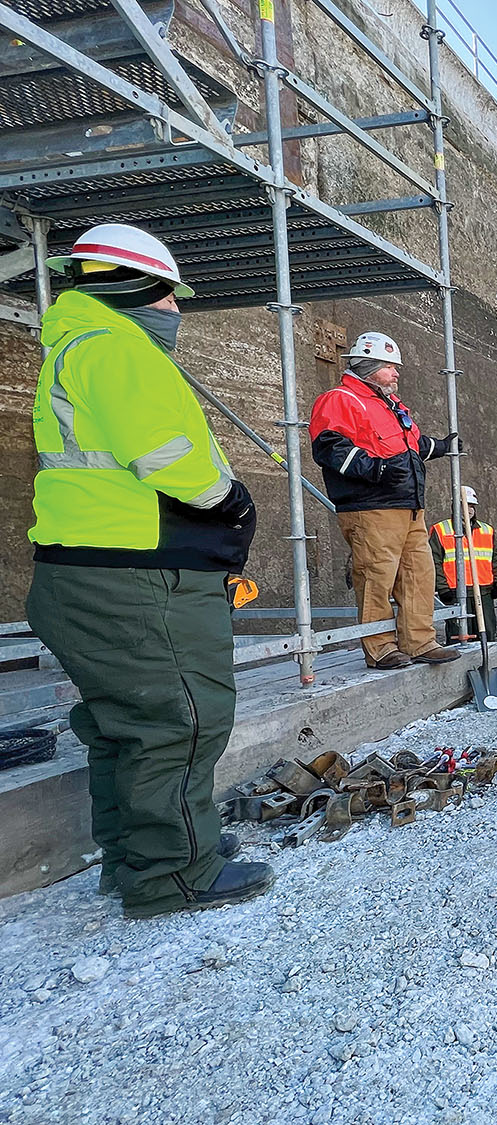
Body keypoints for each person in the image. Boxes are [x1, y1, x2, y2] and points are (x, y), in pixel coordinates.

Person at [27, 222, 272, 918]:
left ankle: (136, 860)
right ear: (131, 285)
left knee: (123, 725)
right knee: (180, 719)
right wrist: (231, 499)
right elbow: (172, 460)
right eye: (168, 297)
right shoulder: (115, 348)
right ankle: (175, 875)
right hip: (137, 575)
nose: (175, 311)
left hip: (86, 569)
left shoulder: (75, 346)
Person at [310, 331, 461, 670]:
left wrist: (444, 446)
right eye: (391, 366)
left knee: (418, 575)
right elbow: (330, 449)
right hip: (371, 507)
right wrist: (376, 470)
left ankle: (419, 642)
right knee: (377, 577)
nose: (396, 373)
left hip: (407, 508)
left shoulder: (388, 405)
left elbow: (413, 447)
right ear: (370, 367)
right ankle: (380, 648)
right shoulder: (340, 399)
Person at [430, 485, 497, 643]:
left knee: (487, 634)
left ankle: (486, 664)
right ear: (455, 506)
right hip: (455, 593)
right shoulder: (441, 530)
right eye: (464, 504)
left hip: (483, 592)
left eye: (471, 505)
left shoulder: (487, 530)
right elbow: (434, 562)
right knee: (459, 637)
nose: (468, 509)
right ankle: (462, 666)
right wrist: (442, 588)